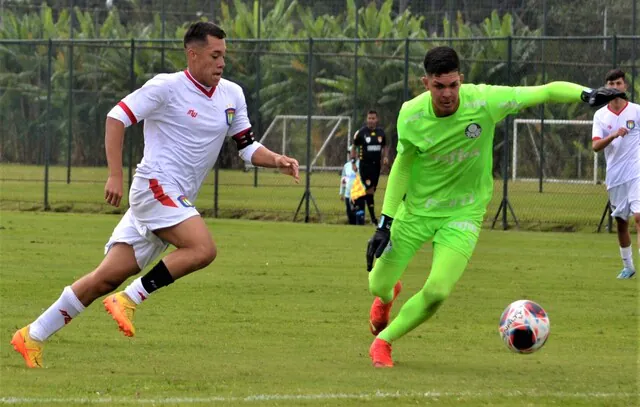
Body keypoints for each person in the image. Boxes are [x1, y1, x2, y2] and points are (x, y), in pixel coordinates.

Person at [11, 22, 299, 368]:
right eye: (215, 55)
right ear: (193, 54)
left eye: (224, 55)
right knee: (203, 248)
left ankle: (32, 335)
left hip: (171, 201)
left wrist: (277, 160)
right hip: (154, 187)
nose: (222, 62)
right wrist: (115, 175)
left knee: (105, 277)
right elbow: (116, 116)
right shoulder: (166, 87)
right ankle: (130, 299)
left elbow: (247, 146)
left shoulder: (232, 95)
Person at [364, 46, 626, 368]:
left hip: (463, 215)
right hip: (416, 212)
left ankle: (383, 342)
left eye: (452, 85)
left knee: (437, 291)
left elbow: (542, 92)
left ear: (461, 79)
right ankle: (386, 298)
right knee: (377, 283)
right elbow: (403, 165)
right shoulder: (411, 114)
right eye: (438, 86)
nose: (447, 94)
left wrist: (584, 94)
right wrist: (385, 223)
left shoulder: (484, 100)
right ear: (425, 83)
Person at [592, 69, 640, 279]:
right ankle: (628, 267)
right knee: (621, 222)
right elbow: (595, 146)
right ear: (606, 87)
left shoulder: (637, 111)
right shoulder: (600, 115)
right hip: (615, 176)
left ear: (625, 87)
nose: (615, 87)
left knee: (639, 217)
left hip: (637, 171)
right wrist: (612, 135)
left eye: (619, 83)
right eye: (611, 83)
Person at [350, 110, 390, 225]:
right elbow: (354, 147)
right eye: (369, 118)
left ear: (376, 120)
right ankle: (373, 219)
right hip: (365, 166)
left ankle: (359, 205)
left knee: (372, 190)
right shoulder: (361, 133)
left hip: (376, 166)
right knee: (369, 189)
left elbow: (385, 146)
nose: (371, 120)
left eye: (373, 118)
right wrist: (353, 162)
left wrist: (385, 157)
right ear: (366, 119)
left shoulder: (381, 133)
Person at [339, 155, 363, 225]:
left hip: (358, 194)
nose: (351, 155)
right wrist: (342, 192)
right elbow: (343, 179)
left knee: (359, 213)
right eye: (349, 153)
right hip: (348, 194)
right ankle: (351, 225)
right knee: (350, 213)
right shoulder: (346, 166)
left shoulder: (361, 164)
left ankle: (360, 226)